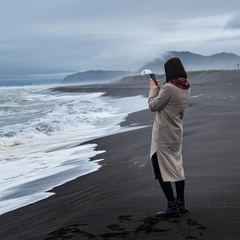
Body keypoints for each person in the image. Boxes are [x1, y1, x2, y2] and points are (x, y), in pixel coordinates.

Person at [148, 57, 191, 218]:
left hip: (163, 135)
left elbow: (153, 106)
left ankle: (171, 206)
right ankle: (181, 203)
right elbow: (169, 103)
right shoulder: (185, 87)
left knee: (160, 168)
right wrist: (161, 89)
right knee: (177, 167)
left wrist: (153, 89)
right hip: (176, 132)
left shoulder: (169, 88)